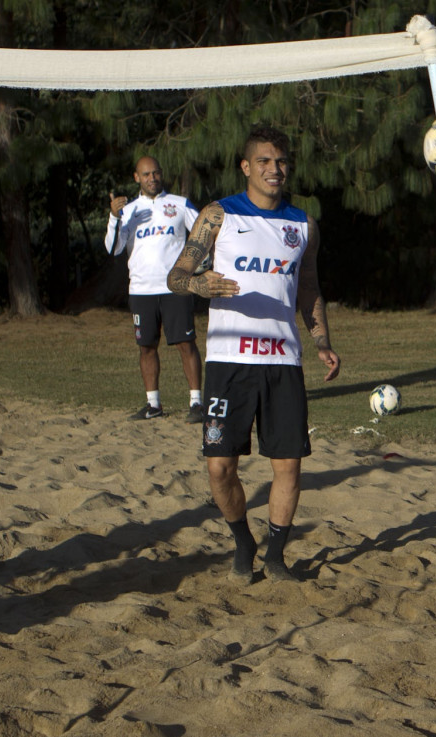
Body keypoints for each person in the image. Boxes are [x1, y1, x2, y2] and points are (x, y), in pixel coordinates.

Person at [166, 127, 340, 583]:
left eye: (281, 161)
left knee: (287, 466)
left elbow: (309, 287)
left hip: (283, 362)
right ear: (246, 167)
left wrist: (321, 341)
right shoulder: (217, 216)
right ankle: (243, 541)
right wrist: (200, 284)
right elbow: (177, 275)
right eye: (264, 161)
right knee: (220, 467)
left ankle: (276, 553)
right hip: (228, 363)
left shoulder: (303, 225)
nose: (274, 169)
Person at [103, 156, 204, 421]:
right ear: (137, 177)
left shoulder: (179, 204)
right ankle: (153, 404)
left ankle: (196, 402)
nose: (152, 179)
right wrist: (114, 217)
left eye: (156, 173)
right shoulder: (127, 211)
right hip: (141, 290)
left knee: (185, 343)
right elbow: (113, 248)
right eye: (146, 175)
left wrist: (204, 263)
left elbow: (204, 232)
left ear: (162, 174)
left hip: (175, 287)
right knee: (146, 347)